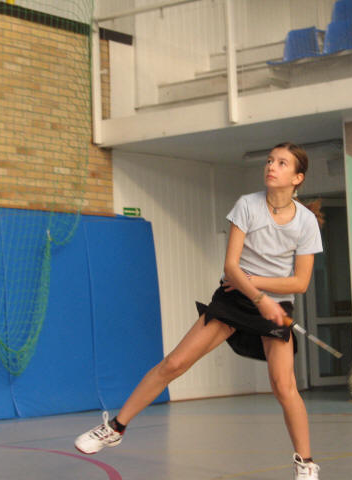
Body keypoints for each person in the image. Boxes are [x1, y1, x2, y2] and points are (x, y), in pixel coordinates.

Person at [75, 142, 323, 480]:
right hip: (234, 299)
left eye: (282, 163)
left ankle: (305, 464)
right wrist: (256, 294)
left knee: (284, 387)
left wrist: (260, 288)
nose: (271, 166)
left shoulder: (305, 222)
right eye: (269, 160)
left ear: (297, 177)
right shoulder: (247, 205)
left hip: (274, 306)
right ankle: (115, 428)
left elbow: (300, 282)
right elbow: (231, 267)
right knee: (174, 363)